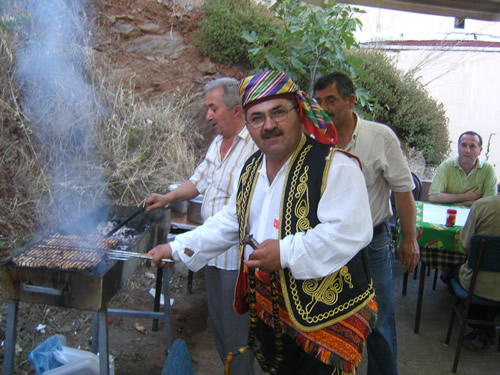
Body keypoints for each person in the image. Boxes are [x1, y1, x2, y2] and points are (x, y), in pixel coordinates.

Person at [148, 70, 378, 375]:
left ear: (299, 112)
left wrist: (284, 253)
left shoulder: (335, 166)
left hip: (323, 322)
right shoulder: (252, 168)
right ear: (249, 124)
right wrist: (176, 247)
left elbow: (350, 231)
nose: (268, 125)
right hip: (270, 313)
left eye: (278, 112)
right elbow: (232, 221)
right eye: (257, 117)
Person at [145, 77, 257, 374]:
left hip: (237, 259)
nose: (208, 115)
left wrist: (176, 248)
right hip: (213, 254)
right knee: (219, 326)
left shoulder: (253, 148)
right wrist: (165, 198)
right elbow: (198, 180)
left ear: (235, 110)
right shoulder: (219, 142)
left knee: (237, 336)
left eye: (212, 107)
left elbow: (236, 215)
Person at [313, 72, 419, 375]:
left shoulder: (379, 137)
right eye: (318, 101)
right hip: (328, 243)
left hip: (371, 244)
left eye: (330, 100)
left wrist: (408, 239)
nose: (324, 108)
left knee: (379, 321)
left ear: (351, 100)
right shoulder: (314, 139)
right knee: (328, 318)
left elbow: (402, 191)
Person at [454, 195, 500, 350]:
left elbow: (465, 246)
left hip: (477, 285)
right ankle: (488, 327)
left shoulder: (482, 206)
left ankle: (478, 325)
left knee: (452, 269)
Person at [428, 131, 497, 206]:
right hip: (449, 214)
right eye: (463, 145)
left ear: (480, 151)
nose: (467, 150)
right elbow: (433, 197)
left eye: (472, 146)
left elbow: (490, 203)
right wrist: (466, 196)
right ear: (458, 147)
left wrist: (458, 204)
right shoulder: (446, 166)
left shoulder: (488, 169)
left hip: (477, 216)